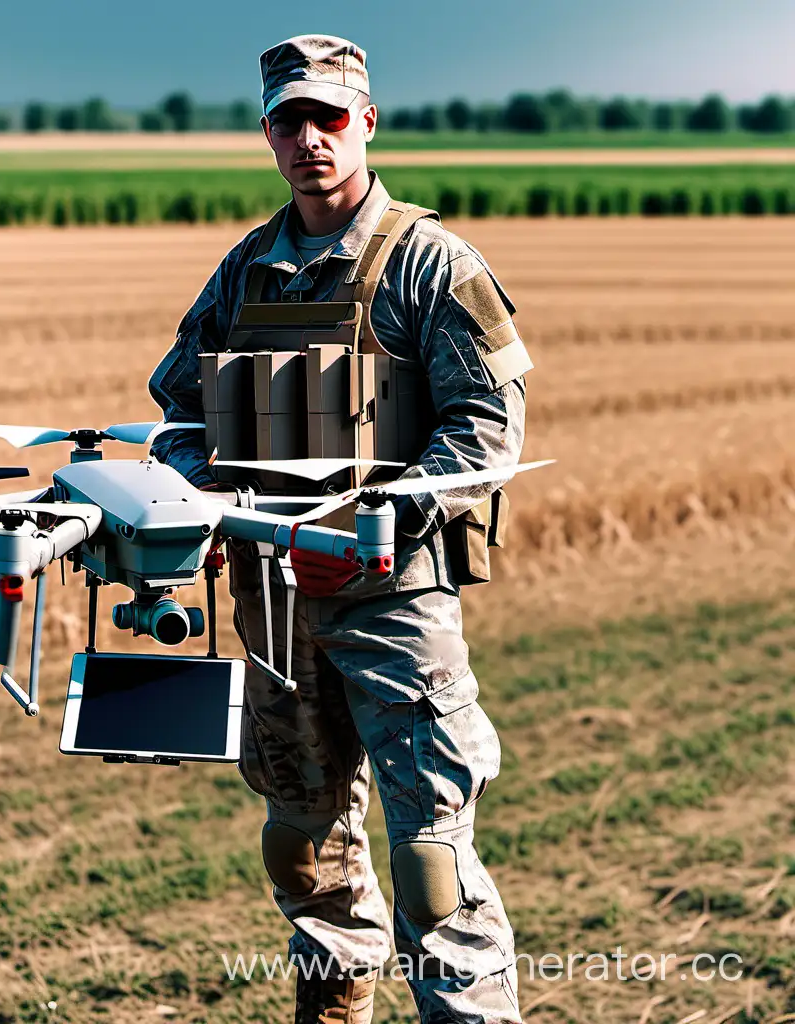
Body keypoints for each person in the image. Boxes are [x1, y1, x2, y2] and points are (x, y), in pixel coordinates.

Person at [148, 34, 532, 1024]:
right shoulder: (246, 269)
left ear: (366, 121)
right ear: (267, 132)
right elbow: (178, 408)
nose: (309, 138)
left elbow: (485, 430)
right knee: (302, 840)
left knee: (430, 858)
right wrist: (206, 501)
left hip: (389, 605)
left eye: (329, 116)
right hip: (272, 607)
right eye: (290, 119)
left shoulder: (428, 261)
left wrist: (384, 515)